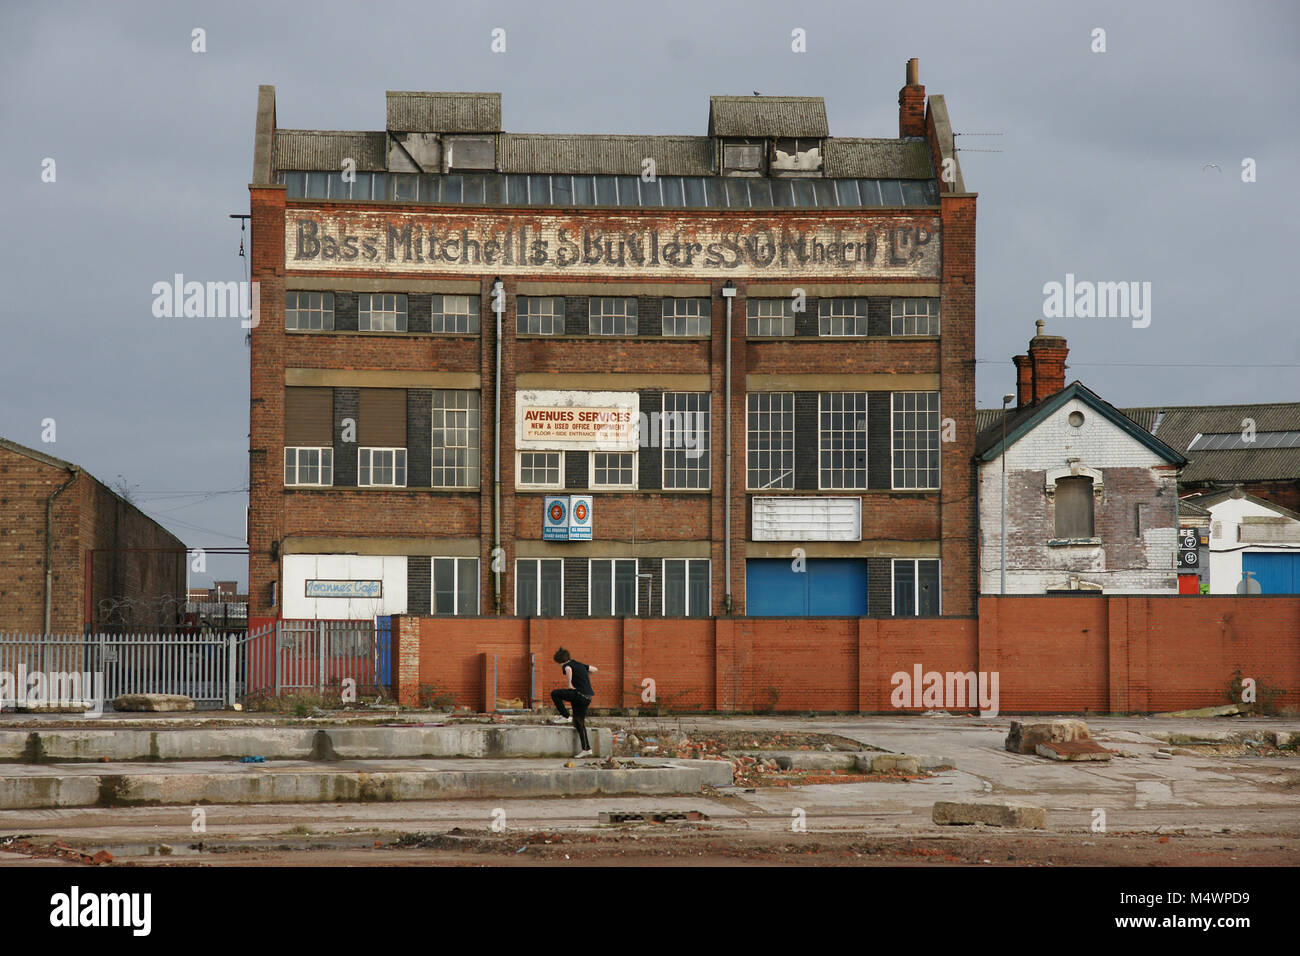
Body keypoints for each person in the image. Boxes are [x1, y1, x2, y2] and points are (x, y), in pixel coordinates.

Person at [550, 647, 597, 757]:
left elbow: (568, 670)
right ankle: (586, 749)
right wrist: (583, 675)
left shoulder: (566, 665)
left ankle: (565, 716)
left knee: (555, 694)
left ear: (560, 661)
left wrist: (570, 684)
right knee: (578, 721)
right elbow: (594, 669)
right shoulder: (579, 664)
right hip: (588, 697)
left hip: (579, 694)